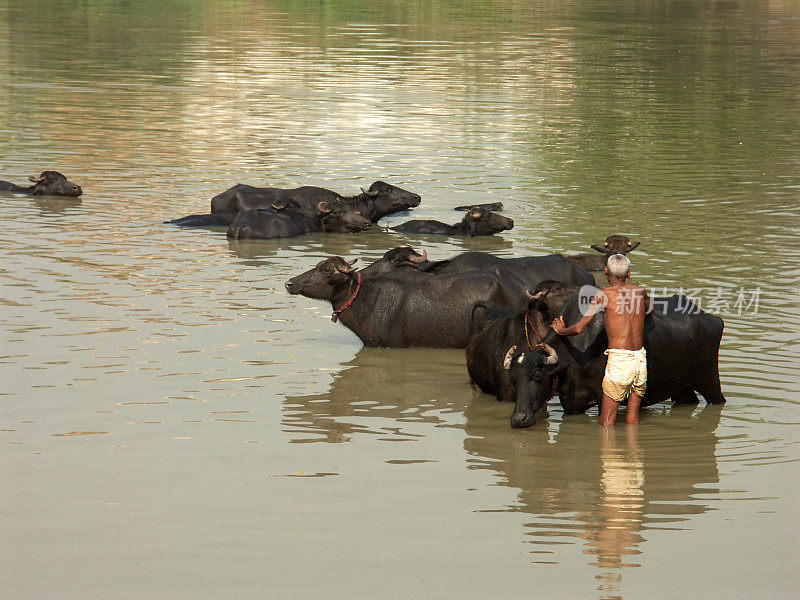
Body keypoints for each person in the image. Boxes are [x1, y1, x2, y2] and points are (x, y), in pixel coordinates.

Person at [551, 254, 650, 426]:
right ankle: (635, 452)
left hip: (620, 361)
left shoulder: (603, 295)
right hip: (640, 360)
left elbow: (580, 328)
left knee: (606, 422)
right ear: (629, 273)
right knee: (632, 420)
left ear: (605, 271)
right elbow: (649, 310)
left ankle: (609, 452)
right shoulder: (640, 292)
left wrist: (562, 330)